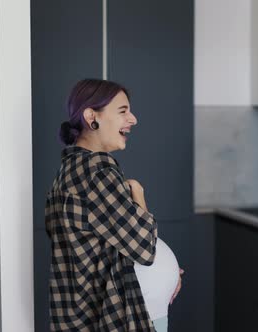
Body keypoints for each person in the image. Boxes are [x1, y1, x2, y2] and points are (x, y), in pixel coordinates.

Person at [45, 78, 182, 331]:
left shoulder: (71, 168)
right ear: (91, 116)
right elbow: (144, 247)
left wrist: (165, 273)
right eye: (123, 111)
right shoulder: (97, 172)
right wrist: (139, 194)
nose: (133, 119)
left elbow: (107, 247)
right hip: (120, 320)